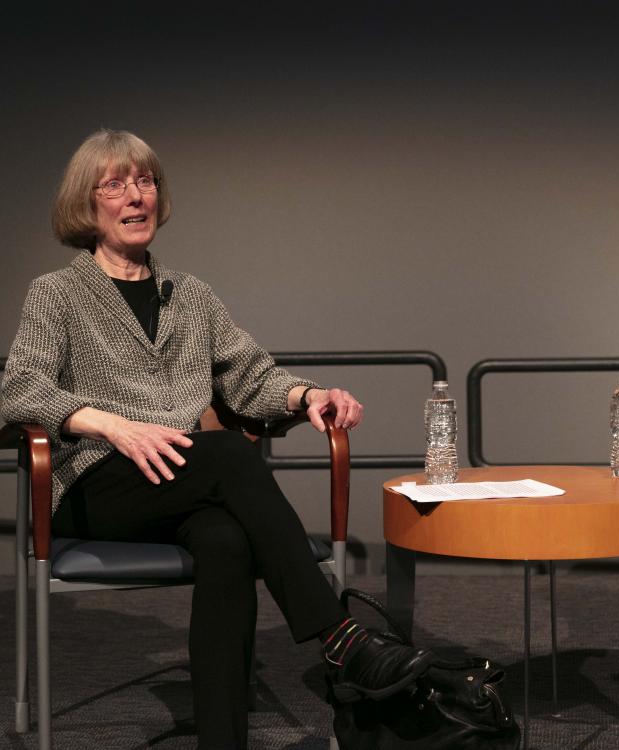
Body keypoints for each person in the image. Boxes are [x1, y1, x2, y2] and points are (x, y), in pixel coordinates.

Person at [0, 129, 434, 749]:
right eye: (116, 184)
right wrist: (106, 422)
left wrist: (308, 398)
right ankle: (341, 643)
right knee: (230, 452)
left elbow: (250, 377)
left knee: (227, 540)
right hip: (96, 482)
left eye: (145, 181)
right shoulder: (57, 294)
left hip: (180, 481)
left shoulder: (191, 295)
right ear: (87, 204)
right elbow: (17, 389)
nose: (136, 196)